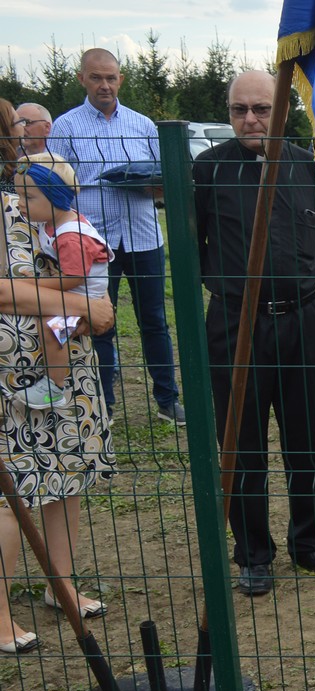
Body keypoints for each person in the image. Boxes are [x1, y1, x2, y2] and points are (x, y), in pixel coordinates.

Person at [194, 70, 315, 596]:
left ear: (281, 110)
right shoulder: (208, 169)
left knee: (305, 439)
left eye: (261, 108)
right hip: (237, 324)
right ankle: (253, 554)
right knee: (242, 444)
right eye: (240, 110)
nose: (251, 119)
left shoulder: (308, 166)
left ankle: (309, 544)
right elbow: (193, 250)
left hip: (303, 321)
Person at [0, 181, 116, 650]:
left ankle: (60, 583)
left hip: (66, 365)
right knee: (11, 493)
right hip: (11, 379)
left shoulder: (24, 199)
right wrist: (80, 303)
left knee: (66, 476)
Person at [48, 48, 184, 425]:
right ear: (82, 79)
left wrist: (151, 185)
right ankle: (102, 403)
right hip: (91, 243)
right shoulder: (66, 127)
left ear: (121, 80)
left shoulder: (142, 124)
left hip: (143, 237)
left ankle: (167, 400)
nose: (104, 85)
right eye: (96, 77)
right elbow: (54, 185)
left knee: (155, 320)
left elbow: (166, 180)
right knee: (98, 323)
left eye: (111, 77)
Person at [13, 155, 110, 411]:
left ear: (54, 196)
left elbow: (74, 277)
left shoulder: (70, 236)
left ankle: (54, 388)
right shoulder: (54, 223)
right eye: (19, 196)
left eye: (28, 198)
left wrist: (37, 285)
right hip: (81, 291)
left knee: (53, 328)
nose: (20, 204)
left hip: (84, 293)